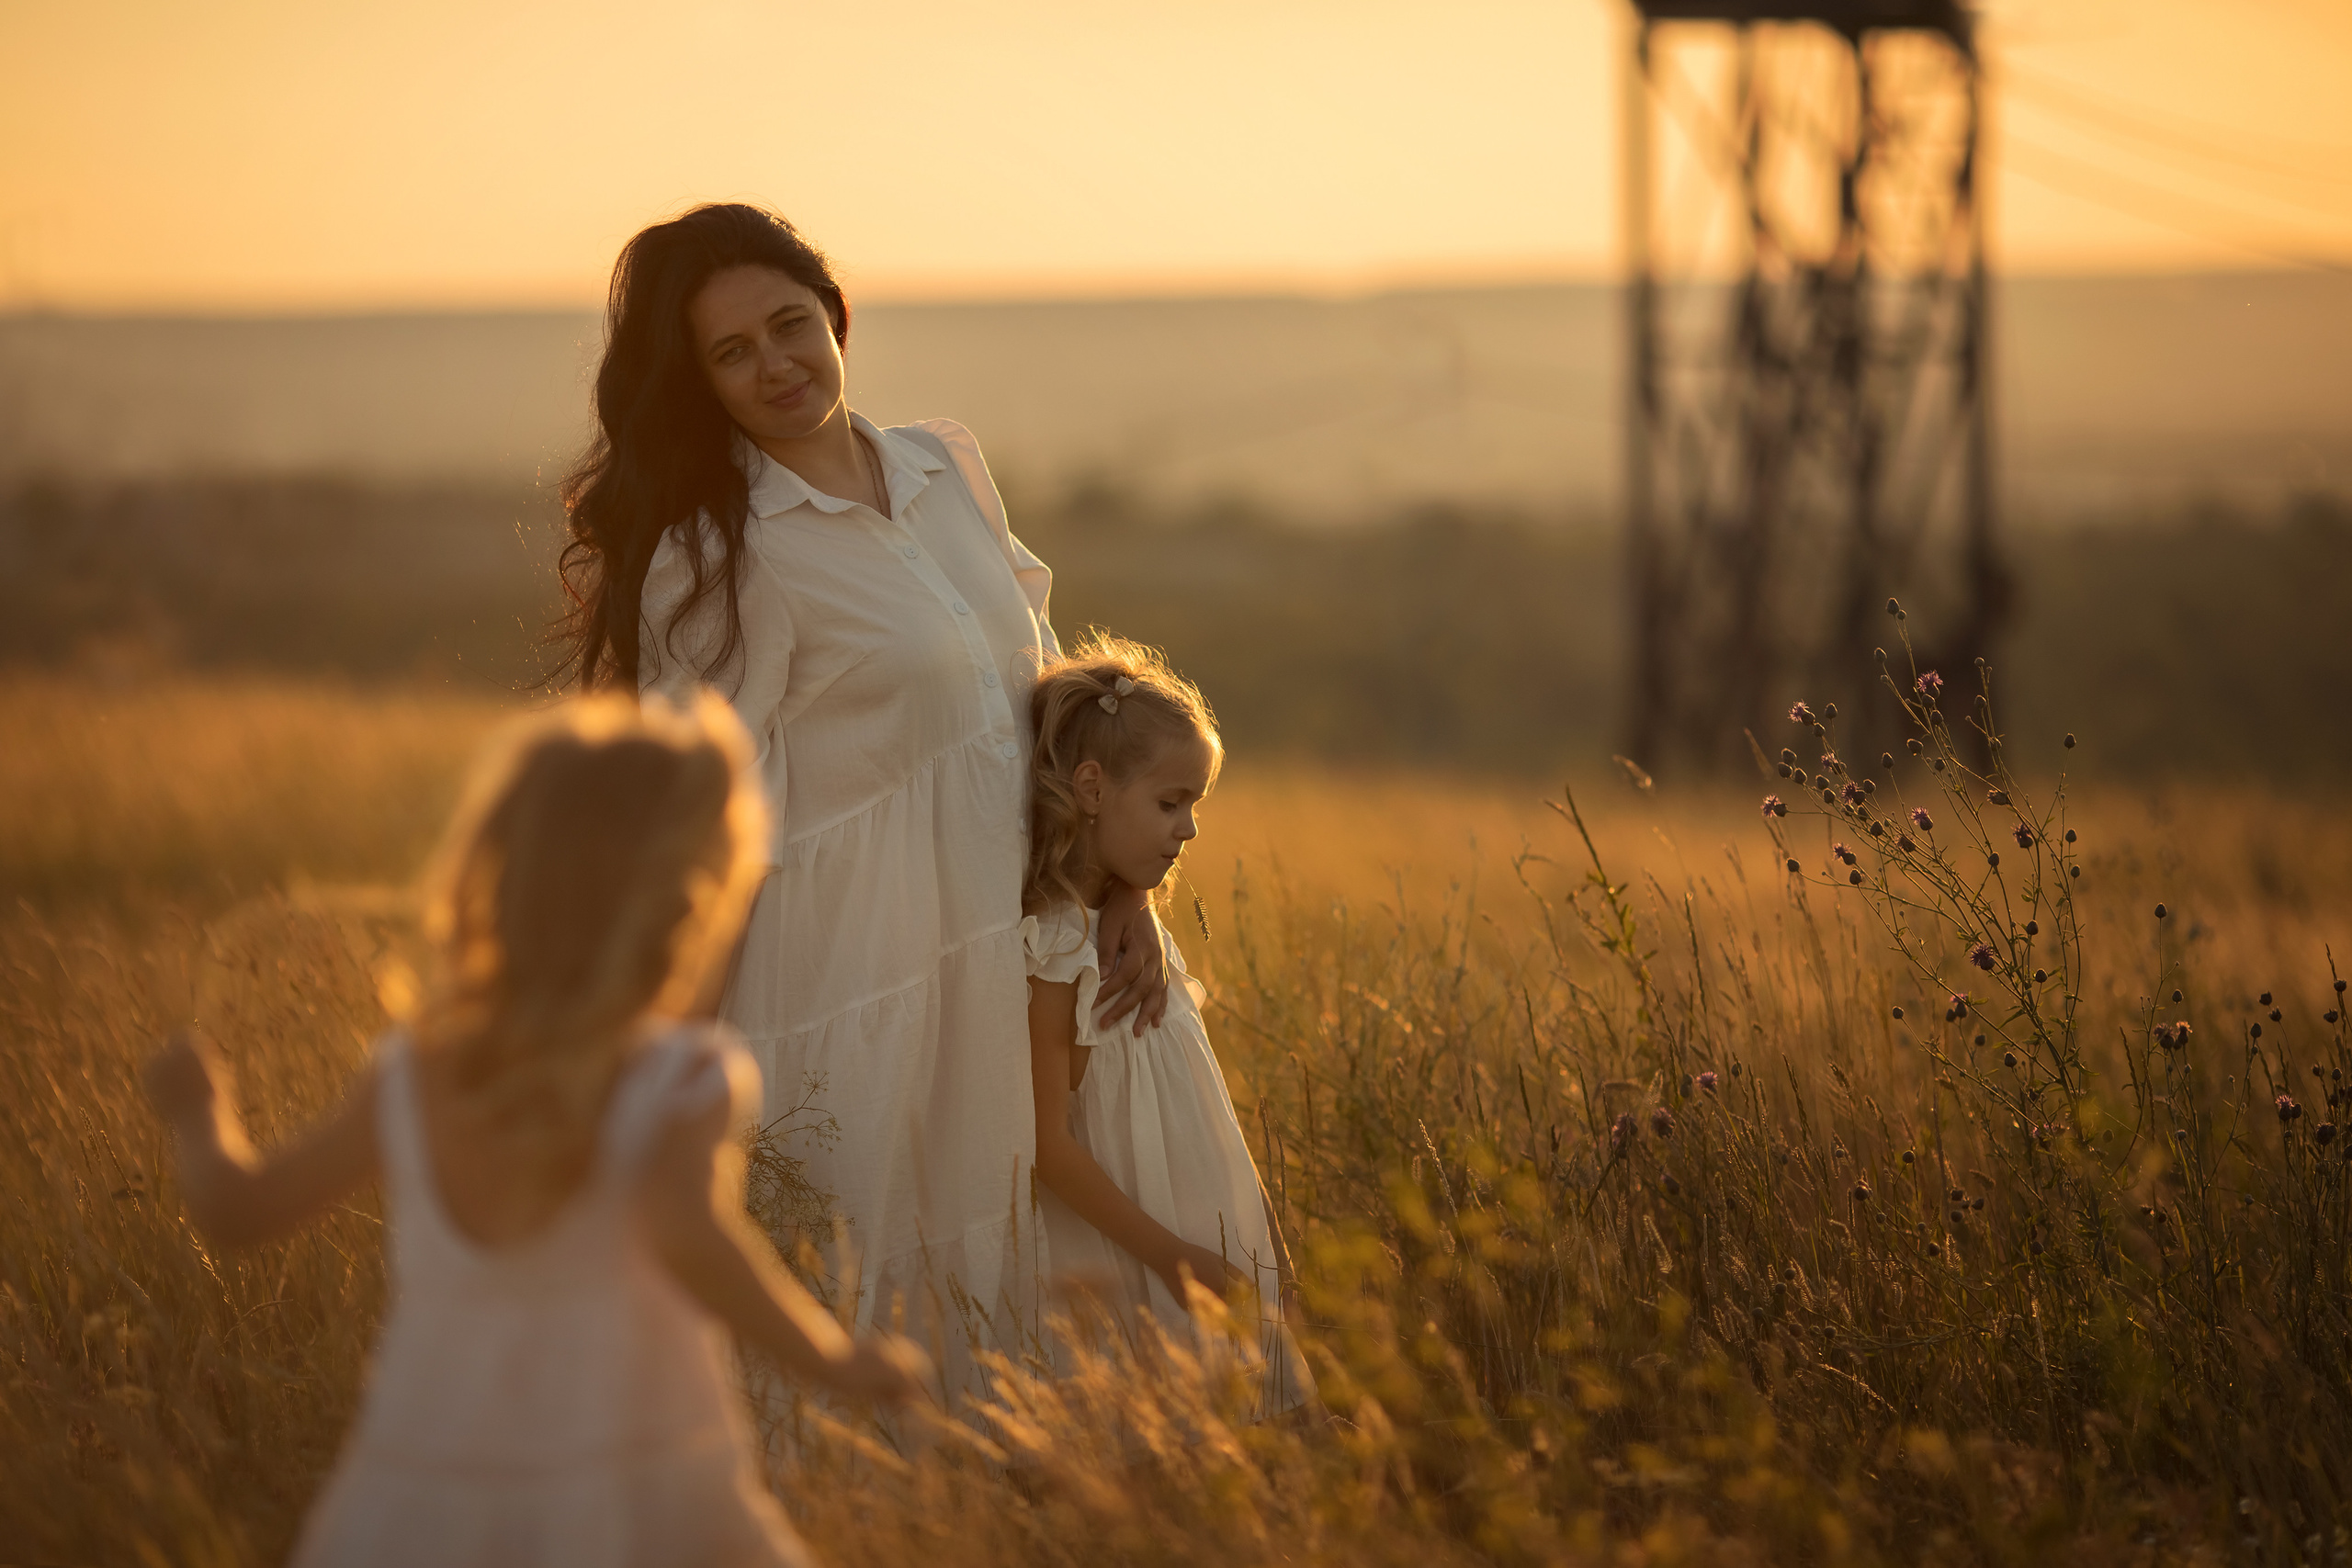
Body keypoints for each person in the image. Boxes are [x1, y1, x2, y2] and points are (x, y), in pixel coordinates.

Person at [557, 203, 1169, 1397]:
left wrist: (1121, 882)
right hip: (858, 971)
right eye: (731, 351)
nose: (776, 363)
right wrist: (664, 1025)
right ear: (699, 381)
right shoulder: (715, 548)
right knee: (888, 1284)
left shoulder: (946, 466)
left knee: (1066, 1281)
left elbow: (1053, 704)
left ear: (837, 316)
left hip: (1031, 938)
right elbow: (697, 805)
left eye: (792, 324)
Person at [142, 695, 929, 1568]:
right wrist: (828, 1359)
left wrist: (196, 1109)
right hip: (632, 1485)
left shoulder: (414, 1077)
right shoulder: (679, 1081)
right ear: (680, 917)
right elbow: (687, 1233)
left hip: (423, 1501)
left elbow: (237, 1210)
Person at [1020, 636, 1311, 1418]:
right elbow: (1048, 1144)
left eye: (1195, 805)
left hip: (1200, 1222)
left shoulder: (1132, 926)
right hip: (1140, 1247)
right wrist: (1173, 1260)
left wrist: (1257, 1238)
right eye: (1169, 802)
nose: (1187, 830)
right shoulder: (1056, 950)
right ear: (1090, 787)